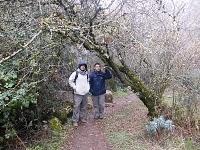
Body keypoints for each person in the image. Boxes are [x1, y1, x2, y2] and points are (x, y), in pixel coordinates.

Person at [68, 61, 90, 127]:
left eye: (84, 66)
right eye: (82, 65)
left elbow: (88, 82)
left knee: (84, 107)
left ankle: (82, 118)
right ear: (79, 66)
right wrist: (75, 87)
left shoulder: (87, 74)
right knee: (76, 107)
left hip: (85, 93)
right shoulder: (76, 73)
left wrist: (88, 88)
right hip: (77, 93)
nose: (83, 66)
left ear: (85, 67)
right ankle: (75, 120)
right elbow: (70, 81)